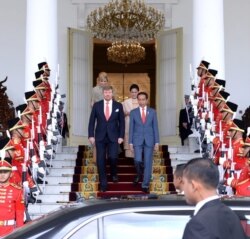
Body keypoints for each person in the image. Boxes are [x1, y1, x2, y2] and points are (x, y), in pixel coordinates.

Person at [182, 157, 246, 239]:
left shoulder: (198, 224)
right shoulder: (231, 215)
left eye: (184, 183)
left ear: (193, 185)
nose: (183, 189)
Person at [88, 85, 125, 192]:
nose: (107, 94)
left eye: (109, 92)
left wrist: (121, 136)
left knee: (113, 157)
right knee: (100, 160)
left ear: (112, 93)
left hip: (114, 137)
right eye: (106, 93)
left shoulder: (118, 105)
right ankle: (103, 183)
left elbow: (122, 122)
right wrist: (91, 135)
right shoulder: (97, 105)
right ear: (103, 94)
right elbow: (91, 121)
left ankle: (114, 174)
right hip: (100, 136)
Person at [129, 92, 159, 193]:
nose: (141, 101)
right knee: (137, 160)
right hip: (137, 139)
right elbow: (131, 128)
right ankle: (139, 173)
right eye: (139, 99)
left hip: (149, 140)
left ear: (146, 100)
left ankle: (145, 184)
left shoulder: (152, 112)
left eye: (143, 99)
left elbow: (155, 127)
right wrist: (130, 142)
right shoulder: (133, 112)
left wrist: (157, 142)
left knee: (148, 162)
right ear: (137, 100)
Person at [0, 157, 25, 237]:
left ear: (11, 174)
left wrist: (20, 233)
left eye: (5, 172)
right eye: (0, 172)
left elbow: (19, 214)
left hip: (8, 231)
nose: (2, 175)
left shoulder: (17, 190)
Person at [122, 84, 139, 158]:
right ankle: (128, 154)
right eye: (132, 92)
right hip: (128, 121)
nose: (134, 93)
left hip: (138, 123)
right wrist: (126, 113)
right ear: (130, 92)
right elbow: (122, 113)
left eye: (135, 92)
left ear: (138, 92)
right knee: (128, 136)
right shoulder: (126, 102)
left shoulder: (140, 101)